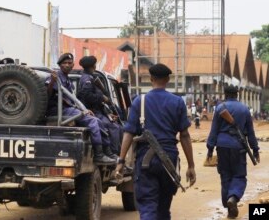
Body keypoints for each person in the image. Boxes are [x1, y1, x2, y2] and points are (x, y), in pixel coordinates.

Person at [115, 63, 196, 219]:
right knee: (163, 208)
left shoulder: (140, 101)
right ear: (167, 79)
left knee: (147, 206)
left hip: (146, 161)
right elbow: (184, 135)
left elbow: (129, 133)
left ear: (151, 79)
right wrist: (191, 165)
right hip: (169, 160)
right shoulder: (178, 102)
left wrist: (121, 160)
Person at [46, 53, 115, 163]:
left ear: (73, 65)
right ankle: (98, 155)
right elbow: (47, 95)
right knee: (93, 121)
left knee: (98, 121)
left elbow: (72, 99)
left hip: (69, 109)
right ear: (60, 65)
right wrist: (53, 82)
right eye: (64, 63)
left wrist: (83, 110)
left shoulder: (67, 79)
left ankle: (107, 151)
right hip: (58, 110)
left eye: (69, 63)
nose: (67, 65)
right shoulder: (56, 77)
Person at [206, 85, 260, 219]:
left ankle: (229, 205)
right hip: (238, 146)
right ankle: (233, 197)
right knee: (239, 175)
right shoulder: (244, 109)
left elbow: (214, 131)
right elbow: (251, 133)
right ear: (237, 94)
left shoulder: (220, 108)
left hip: (222, 146)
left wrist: (210, 150)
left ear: (225, 94)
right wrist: (255, 149)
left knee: (225, 176)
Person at [77, 55, 122, 156]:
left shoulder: (90, 77)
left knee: (117, 127)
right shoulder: (87, 79)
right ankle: (112, 154)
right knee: (113, 127)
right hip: (91, 111)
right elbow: (87, 96)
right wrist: (102, 97)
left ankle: (114, 153)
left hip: (96, 110)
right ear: (94, 66)